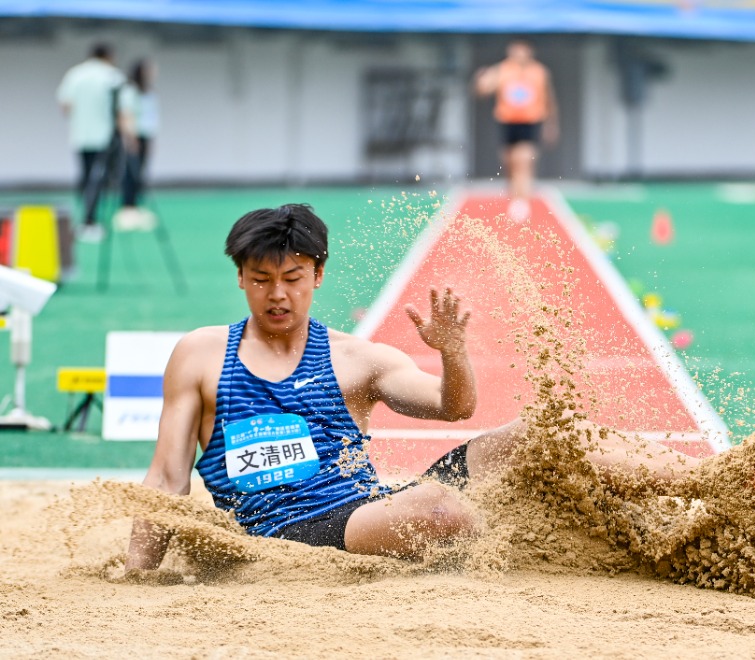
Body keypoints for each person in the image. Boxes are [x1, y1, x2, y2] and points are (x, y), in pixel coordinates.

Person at [125, 204, 698, 569]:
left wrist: (452, 353)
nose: (278, 295)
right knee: (436, 509)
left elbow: (454, 408)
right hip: (291, 534)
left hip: (372, 511)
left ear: (317, 276)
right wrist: (138, 575)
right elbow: (167, 478)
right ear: (241, 279)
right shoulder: (201, 356)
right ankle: (589, 545)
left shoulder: (357, 359)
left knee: (542, 434)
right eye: (261, 280)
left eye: (293, 278)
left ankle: (710, 483)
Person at [473, 39, 559, 222]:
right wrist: (479, 81)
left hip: (530, 122)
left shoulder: (539, 72)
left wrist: (551, 124)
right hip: (508, 122)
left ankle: (522, 201)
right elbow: (484, 89)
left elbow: (549, 100)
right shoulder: (502, 70)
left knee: (524, 160)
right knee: (509, 162)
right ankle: (514, 195)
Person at [56, 42, 127, 243]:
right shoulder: (113, 76)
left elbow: (65, 105)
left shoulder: (74, 74)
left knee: (86, 176)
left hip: (80, 134)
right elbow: (122, 109)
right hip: (104, 136)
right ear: (108, 56)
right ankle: (90, 220)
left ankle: (86, 219)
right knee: (98, 178)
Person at [114, 58, 160, 232]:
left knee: (140, 172)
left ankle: (136, 207)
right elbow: (125, 114)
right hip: (134, 136)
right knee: (130, 172)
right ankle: (127, 207)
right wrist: (130, 137)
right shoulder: (130, 91)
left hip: (146, 135)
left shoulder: (148, 91)